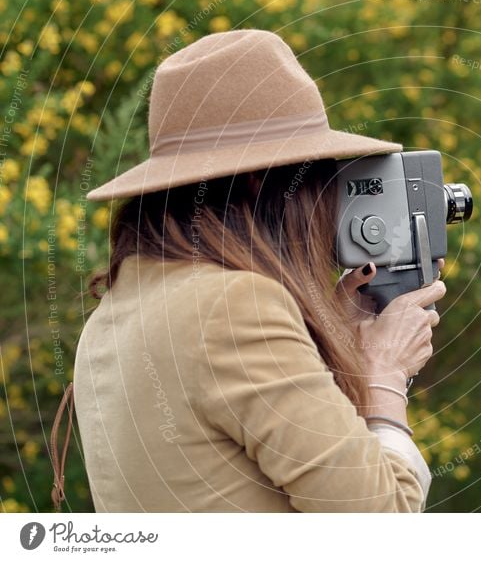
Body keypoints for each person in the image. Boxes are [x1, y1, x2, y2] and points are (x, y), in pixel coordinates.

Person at [71, 29, 445, 512]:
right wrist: (383, 376)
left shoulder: (113, 315)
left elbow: (230, 472)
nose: (328, 199)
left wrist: (329, 341)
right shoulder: (236, 307)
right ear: (258, 181)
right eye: (317, 174)